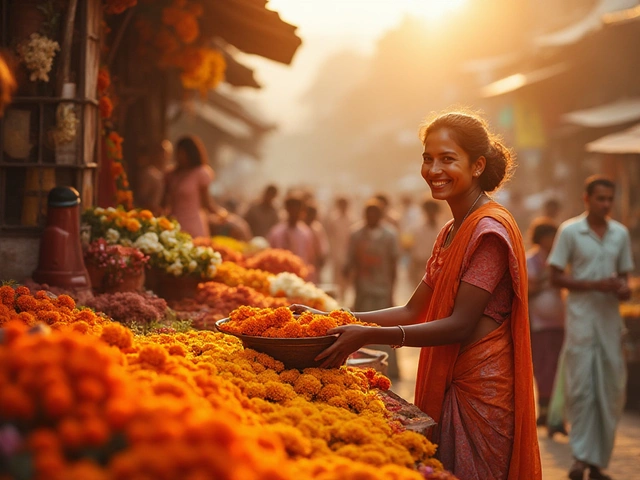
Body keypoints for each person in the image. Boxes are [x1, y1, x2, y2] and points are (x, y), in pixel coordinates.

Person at [292, 111, 541, 479]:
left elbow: (459, 325)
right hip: (455, 382)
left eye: (447, 159)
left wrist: (371, 335)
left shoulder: (488, 230)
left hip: (482, 392)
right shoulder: (450, 231)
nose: (434, 169)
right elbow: (413, 310)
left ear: (477, 166)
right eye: (428, 158)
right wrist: (337, 319)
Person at [548, 175, 634, 480]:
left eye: (610, 199)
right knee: (582, 389)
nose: (606, 204)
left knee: (610, 390)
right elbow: (555, 276)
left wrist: (621, 290)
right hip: (581, 321)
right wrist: (592, 284)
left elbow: (626, 280)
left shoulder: (619, 234)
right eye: (600, 199)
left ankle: (597, 461)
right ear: (587, 199)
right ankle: (580, 458)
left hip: (610, 323)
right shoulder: (570, 231)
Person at [344, 198, 401, 378]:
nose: (371, 218)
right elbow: (351, 260)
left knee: (384, 329)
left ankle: (389, 370)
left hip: (382, 289)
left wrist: (392, 291)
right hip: (363, 290)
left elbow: (393, 266)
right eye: (368, 215)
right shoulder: (356, 234)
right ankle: (363, 370)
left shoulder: (389, 235)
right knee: (362, 329)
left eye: (375, 214)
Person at [526, 218, 565, 428]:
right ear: (540, 239)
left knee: (558, 366)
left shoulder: (561, 259)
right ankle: (544, 409)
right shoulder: (530, 260)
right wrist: (546, 278)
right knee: (542, 365)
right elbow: (528, 289)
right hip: (538, 321)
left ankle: (556, 411)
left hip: (560, 319)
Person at [162, 135, 217, 238]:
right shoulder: (171, 174)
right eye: (178, 152)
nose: (179, 156)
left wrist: (221, 214)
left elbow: (207, 203)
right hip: (172, 224)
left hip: (193, 226)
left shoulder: (200, 173)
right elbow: (164, 202)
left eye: (183, 153)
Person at [267, 192, 317, 273]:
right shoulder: (276, 232)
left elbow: (310, 257)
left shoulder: (305, 232)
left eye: (297, 209)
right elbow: (270, 253)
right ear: (287, 209)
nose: (294, 213)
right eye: (292, 209)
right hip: (279, 274)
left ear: (302, 211)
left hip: (300, 274)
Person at [325, 196, 354, 302]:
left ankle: (344, 298)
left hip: (348, 253)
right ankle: (337, 301)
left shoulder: (351, 219)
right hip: (336, 253)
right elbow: (330, 236)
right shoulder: (334, 219)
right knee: (336, 279)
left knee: (347, 279)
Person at [408, 198, 441, 285]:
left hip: (438, 270)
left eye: (433, 210)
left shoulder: (444, 228)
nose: (431, 213)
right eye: (429, 210)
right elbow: (414, 253)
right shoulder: (418, 229)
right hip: (421, 269)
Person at [137, 140, 171, 215]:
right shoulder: (148, 173)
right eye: (161, 153)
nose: (163, 156)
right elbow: (142, 196)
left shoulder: (167, 172)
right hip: (148, 213)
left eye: (166, 153)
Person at [304, 201, 330, 284]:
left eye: (313, 214)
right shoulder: (301, 228)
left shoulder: (317, 228)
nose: (311, 217)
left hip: (314, 264)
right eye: (309, 214)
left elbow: (323, 246)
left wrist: (322, 258)